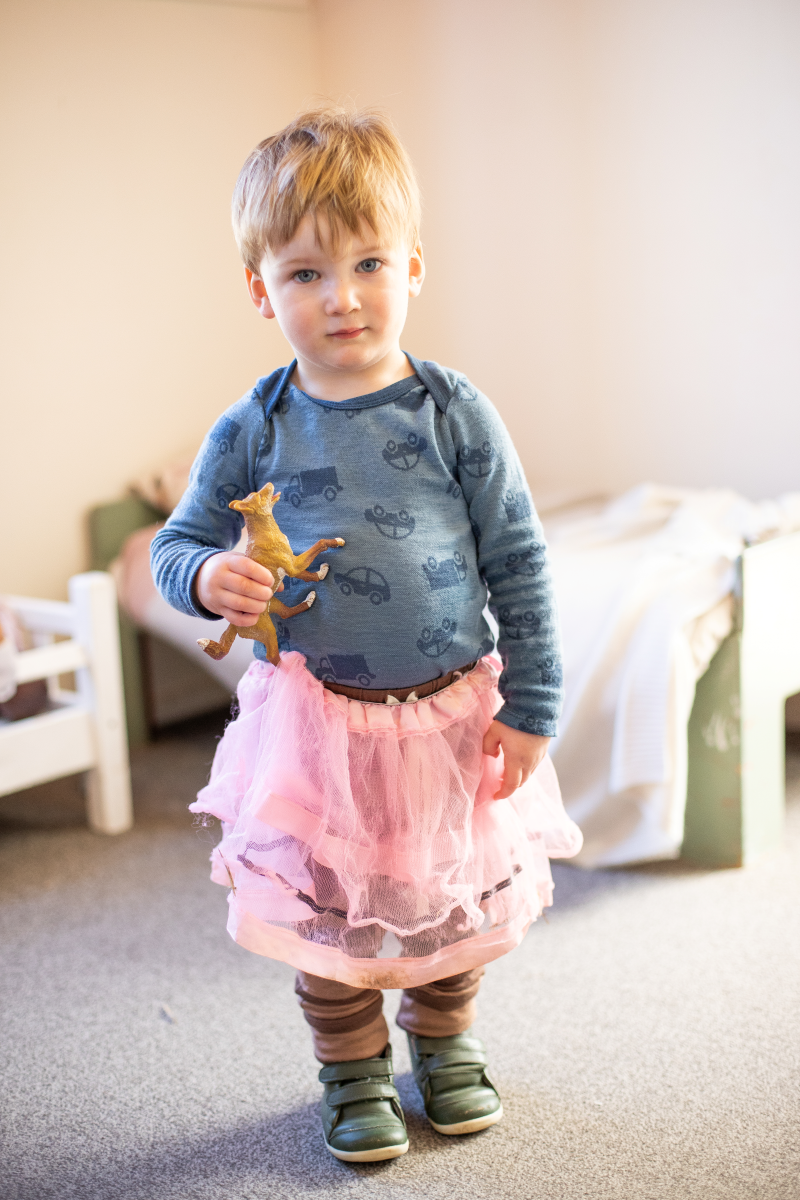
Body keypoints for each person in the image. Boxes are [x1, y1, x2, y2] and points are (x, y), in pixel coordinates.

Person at [151, 107, 582, 1163]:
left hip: (444, 718)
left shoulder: (453, 412)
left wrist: (531, 705)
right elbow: (177, 546)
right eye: (303, 274)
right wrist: (208, 577)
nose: (340, 296)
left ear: (413, 268)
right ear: (261, 291)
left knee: (443, 908)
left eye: (367, 263)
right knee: (331, 927)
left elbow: (519, 563)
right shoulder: (251, 426)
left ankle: (441, 1045)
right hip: (316, 731)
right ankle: (349, 1073)